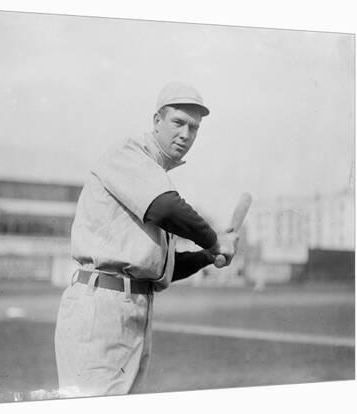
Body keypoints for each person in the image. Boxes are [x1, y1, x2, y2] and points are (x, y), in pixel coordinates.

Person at [53, 82, 239, 397]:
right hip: (101, 308)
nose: (186, 134)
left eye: (194, 128)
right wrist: (215, 240)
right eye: (178, 122)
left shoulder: (153, 177)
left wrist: (206, 256)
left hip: (134, 308)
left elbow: (159, 269)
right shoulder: (127, 154)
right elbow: (166, 208)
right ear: (156, 121)